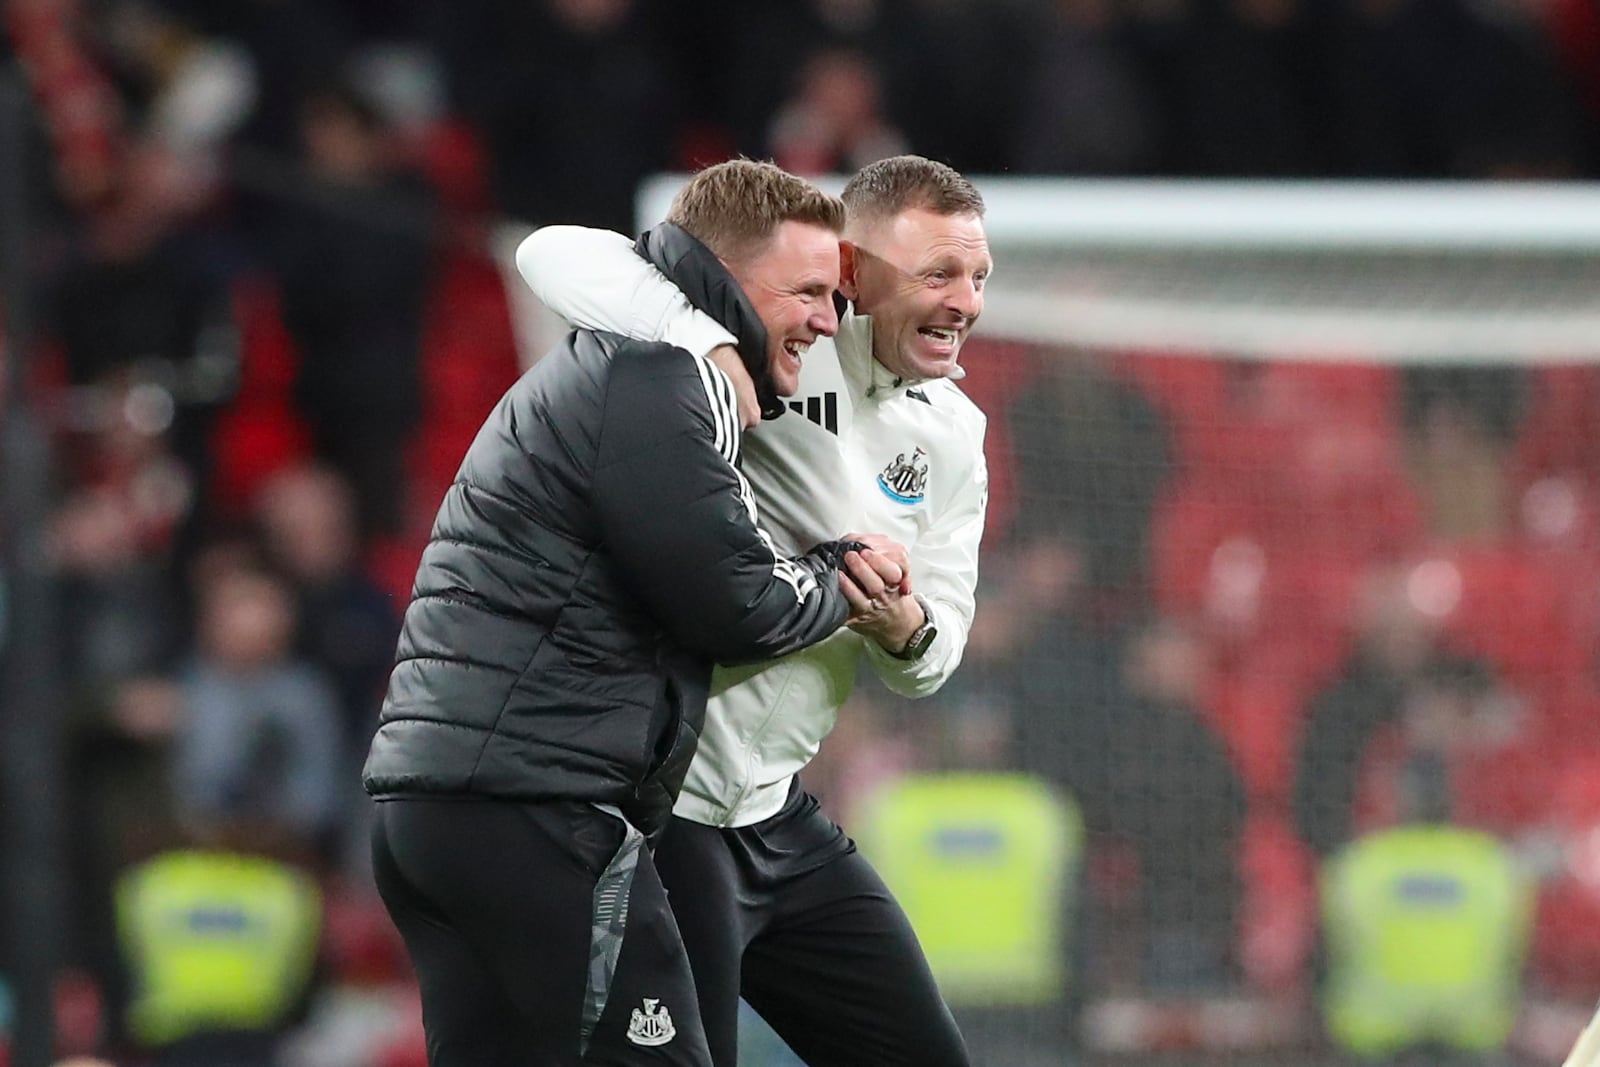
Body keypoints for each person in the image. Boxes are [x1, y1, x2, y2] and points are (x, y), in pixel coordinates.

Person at [363, 159, 909, 1067]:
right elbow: (736, 605)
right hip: (536, 811)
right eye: (808, 290)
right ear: (726, 279)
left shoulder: (617, 365)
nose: (827, 317)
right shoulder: (657, 378)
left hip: (434, 809)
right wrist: (838, 575)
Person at [516, 154, 992, 1067]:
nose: (964, 300)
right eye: (937, 273)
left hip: (775, 816)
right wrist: (712, 346)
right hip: (668, 808)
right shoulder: (784, 344)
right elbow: (552, 253)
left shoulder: (956, 436)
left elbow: (937, 651)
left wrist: (906, 628)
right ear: (853, 274)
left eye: (977, 276)